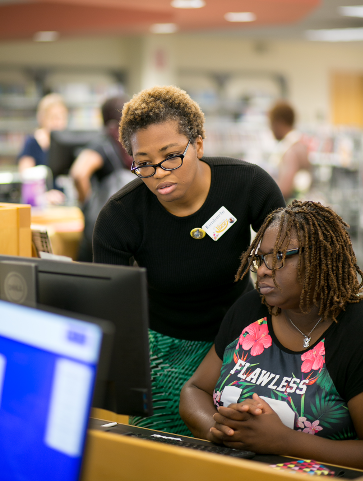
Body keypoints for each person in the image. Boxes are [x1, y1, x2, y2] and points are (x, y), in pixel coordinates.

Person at [93, 85, 285, 435]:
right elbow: (114, 313)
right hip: (166, 347)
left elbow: (292, 262)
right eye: (144, 164)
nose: (160, 173)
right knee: (163, 448)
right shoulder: (120, 216)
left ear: (198, 143)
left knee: (249, 443)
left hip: (247, 339)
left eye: (171, 156)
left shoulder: (247, 185)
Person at [180, 200, 363, 469]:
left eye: (278, 257)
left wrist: (285, 442)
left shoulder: (354, 331)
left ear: (317, 259)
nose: (263, 269)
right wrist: (219, 431)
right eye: (260, 258)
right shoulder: (250, 308)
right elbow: (194, 390)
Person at [70, 95, 133, 262]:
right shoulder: (130, 142)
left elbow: (78, 174)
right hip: (123, 225)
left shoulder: (104, 142)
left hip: (101, 224)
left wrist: (87, 204)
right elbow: (79, 173)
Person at [18, 93, 68, 205]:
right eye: (54, 117)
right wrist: (44, 196)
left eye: (62, 118)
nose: (59, 122)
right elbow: (25, 177)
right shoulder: (32, 142)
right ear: (42, 118)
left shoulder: (65, 144)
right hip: (39, 204)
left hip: (62, 203)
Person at [268, 101, 311, 201]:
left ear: (279, 122)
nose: (270, 128)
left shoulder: (290, 150)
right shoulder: (300, 143)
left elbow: (285, 189)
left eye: (271, 123)